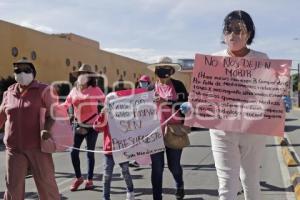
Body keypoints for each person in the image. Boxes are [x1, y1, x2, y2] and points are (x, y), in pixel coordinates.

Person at [182, 10, 272, 200]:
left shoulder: (261, 60)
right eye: (228, 30)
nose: (233, 35)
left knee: (251, 180)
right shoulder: (212, 61)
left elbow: (270, 95)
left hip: (252, 131)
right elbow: (204, 93)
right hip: (221, 131)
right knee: (226, 185)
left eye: (239, 30)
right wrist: (194, 106)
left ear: (249, 33)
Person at [0, 59, 60, 199]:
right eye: (17, 70)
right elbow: (2, 115)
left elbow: (53, 114)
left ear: (33, 72)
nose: (22, 73)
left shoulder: (44, 90)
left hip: (38, 146)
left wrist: (47, 129)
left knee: (46, 185)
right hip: (14, 148)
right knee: (13, 187)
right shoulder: (9, 92)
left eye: (26, 70)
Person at [147, 57, 188, 200]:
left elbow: (185, 106)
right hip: (154, 132)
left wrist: (167, 102)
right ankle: (157, 197)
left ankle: (179, 184)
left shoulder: (179, 85)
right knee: (157, 168)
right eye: (161, 67)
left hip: (174, 130)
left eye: (166, 67)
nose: (163, 70)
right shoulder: (150, 87)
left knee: (174, 166)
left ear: (171, 71)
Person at [60, 64, 105, 191]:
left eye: (86, 73)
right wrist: (53, 108)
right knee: (73, 152)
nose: (83, 76)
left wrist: (104, 111)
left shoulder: (95, 90)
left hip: (92, 127)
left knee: (90, 154)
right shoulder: (74, 90)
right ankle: (79, 178)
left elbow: (106, 102)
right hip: (78, 125)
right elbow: (66, 104)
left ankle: (89, 180)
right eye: (81, 73)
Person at [93, 92, 135, 200]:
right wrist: (102, 115)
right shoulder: (106, 115)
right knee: (107, 176)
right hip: (109, 150)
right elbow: (97, 128)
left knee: (125, 171)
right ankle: (105, 197)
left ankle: (130, 191)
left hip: (121, 148)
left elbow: (132, 127)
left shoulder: (124, 114)